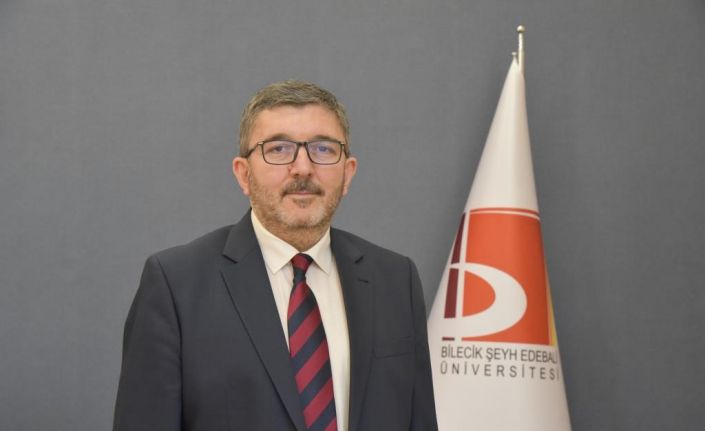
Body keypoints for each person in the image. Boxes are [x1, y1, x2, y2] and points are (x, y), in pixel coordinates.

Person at [113, 80, 438, 431]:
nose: (303, 168)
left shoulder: (395, 281)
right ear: (244, 174)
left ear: (348, 173)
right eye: (279, 149)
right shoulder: (176, 286)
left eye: (324, 149)